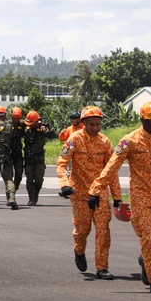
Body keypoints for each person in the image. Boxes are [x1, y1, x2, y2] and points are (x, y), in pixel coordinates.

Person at [89, 101, 151, 293]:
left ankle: (146, 258)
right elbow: (112, 166)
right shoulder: (130, 141)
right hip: (141, 197)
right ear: (142, 120)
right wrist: (96, 189)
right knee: (148, 237)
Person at [56, 106, 122, 279]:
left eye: (98, 124)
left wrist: (117, 196)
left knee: (103, 230)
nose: (95, 128)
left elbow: (111, 170)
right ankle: (79, 250)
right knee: (82, 230)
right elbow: (62, 163)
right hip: (79, 194)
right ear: (83, 123)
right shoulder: (74, 139)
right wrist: (64, 185)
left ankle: (102, 267)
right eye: (92, 124)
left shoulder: (105, 142)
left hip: (99, 194)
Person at [22, 110, 55, 206]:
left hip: (39, 159)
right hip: (28, 158)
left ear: (37, 122)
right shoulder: (25, 129)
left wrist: (48, 126)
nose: (30, 125)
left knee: (39, 179)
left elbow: (53, 135)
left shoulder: (42, 130)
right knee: (29, 179)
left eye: (32, 123)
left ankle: (36, 194)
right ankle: (31, 198)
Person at [10, 106, 26, 192]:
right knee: (8, 174)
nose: (16, 120)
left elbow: (32, 123)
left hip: (18, 153)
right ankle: (10, 189)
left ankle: (15, 188)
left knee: (19, 173)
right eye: (15, 118)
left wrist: (40, 124)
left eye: (18, 118)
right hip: (9, 153)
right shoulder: (7, 124)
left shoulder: (23, 124)